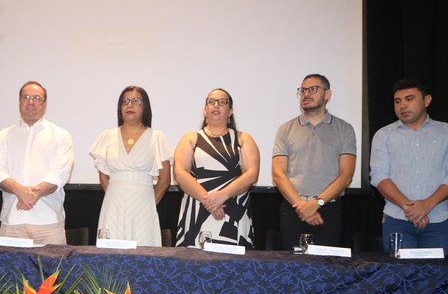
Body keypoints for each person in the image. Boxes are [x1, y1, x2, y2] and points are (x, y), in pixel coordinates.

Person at [272, 74, 356, 249]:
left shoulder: (344, 129)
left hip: (328, 210)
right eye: (302, 90)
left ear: (327, 94)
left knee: (326, 270)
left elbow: (346, 175)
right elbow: (278, 174)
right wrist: (303, 207)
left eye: (313, 89)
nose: (306, 94)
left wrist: (316, 204)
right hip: (293, 208)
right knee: (292, 270)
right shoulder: (286, 129)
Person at [0, 81, 74, 244]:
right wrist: (20, 191)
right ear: (19, 102)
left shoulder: (61, 135)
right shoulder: (3, 136)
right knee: (10, 270)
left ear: (45, 104)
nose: (31, 102)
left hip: (48, 222)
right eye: (26, 97)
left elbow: (60, 174)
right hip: (12, 222)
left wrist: (31, 195)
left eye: (37, 98)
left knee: (53, 270)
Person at [370, 78, 448, 252]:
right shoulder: (383, 135)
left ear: (426, 100)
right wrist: (409, 208)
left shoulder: (445, 132)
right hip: (397, 220)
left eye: (409, 99)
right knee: (399, 277)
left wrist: (427, 204)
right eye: (397, 101)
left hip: (439, 220)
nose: (402, 106)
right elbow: (379, 177)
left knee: (436, 278)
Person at [174, 88, 259, 248]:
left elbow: (252, 175)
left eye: (222, 102)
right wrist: (209, 201)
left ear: (230, 111)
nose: (216, 105)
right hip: (196, 213)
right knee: (193, 268)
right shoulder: (191, 138)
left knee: (234, 270)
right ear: (205, 109)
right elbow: (180, 174)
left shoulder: (243, 139)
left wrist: (222, 196)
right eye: (211, 101)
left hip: (234, 215)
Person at [89, 86, 171, 246]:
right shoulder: (107, 136)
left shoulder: (156, 137)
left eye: (136, 101)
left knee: (143, 257)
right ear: (120, 108)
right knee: (111, 256)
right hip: (113, 205)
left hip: (144, 206)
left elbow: (165, 179)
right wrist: (116, 194)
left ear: (145, 107)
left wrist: (148, 204)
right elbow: (103, 176)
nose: (130, 105)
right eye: (125, 101)